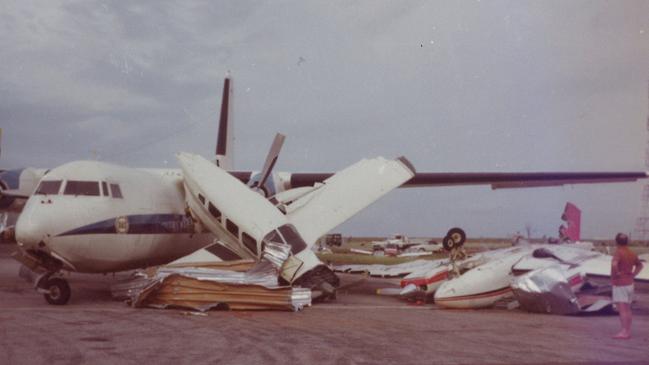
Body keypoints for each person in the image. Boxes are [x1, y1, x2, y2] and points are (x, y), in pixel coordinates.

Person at [610, 233, 644, 339]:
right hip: (629, 283)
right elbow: (640, 265)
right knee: (628, 309)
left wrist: (617, 273)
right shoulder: (631, 253)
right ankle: (627, 330)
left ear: (616, 242)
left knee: (622, 309)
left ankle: (624, 331)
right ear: (627, 242)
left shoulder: (618, 252)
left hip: (620, 284)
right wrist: (634, 274)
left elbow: (614, 264)